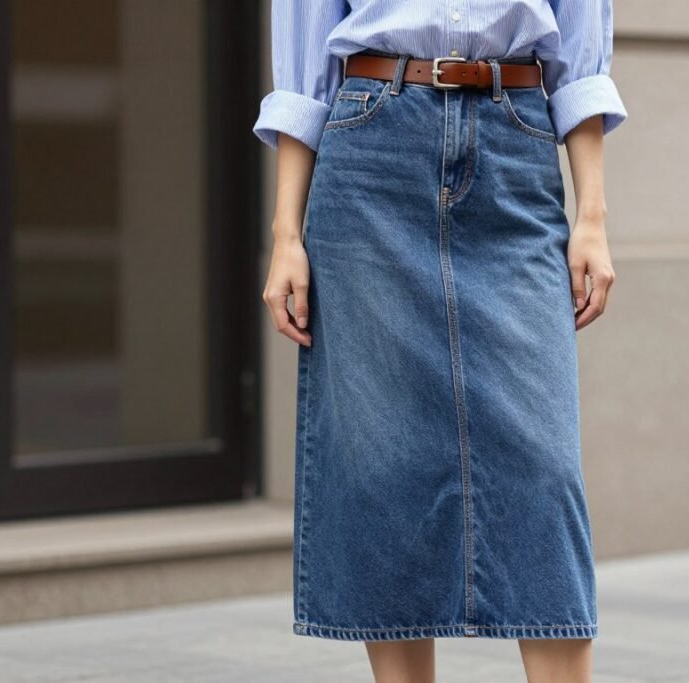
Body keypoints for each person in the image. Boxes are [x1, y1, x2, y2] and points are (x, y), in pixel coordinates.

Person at [252, 2, 627, 681]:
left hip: (513, 140)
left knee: (543, 468)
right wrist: (285, 234)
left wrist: (591, 213)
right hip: (370, 149)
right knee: (383, 465)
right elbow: (304, 67)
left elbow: (579, 45)